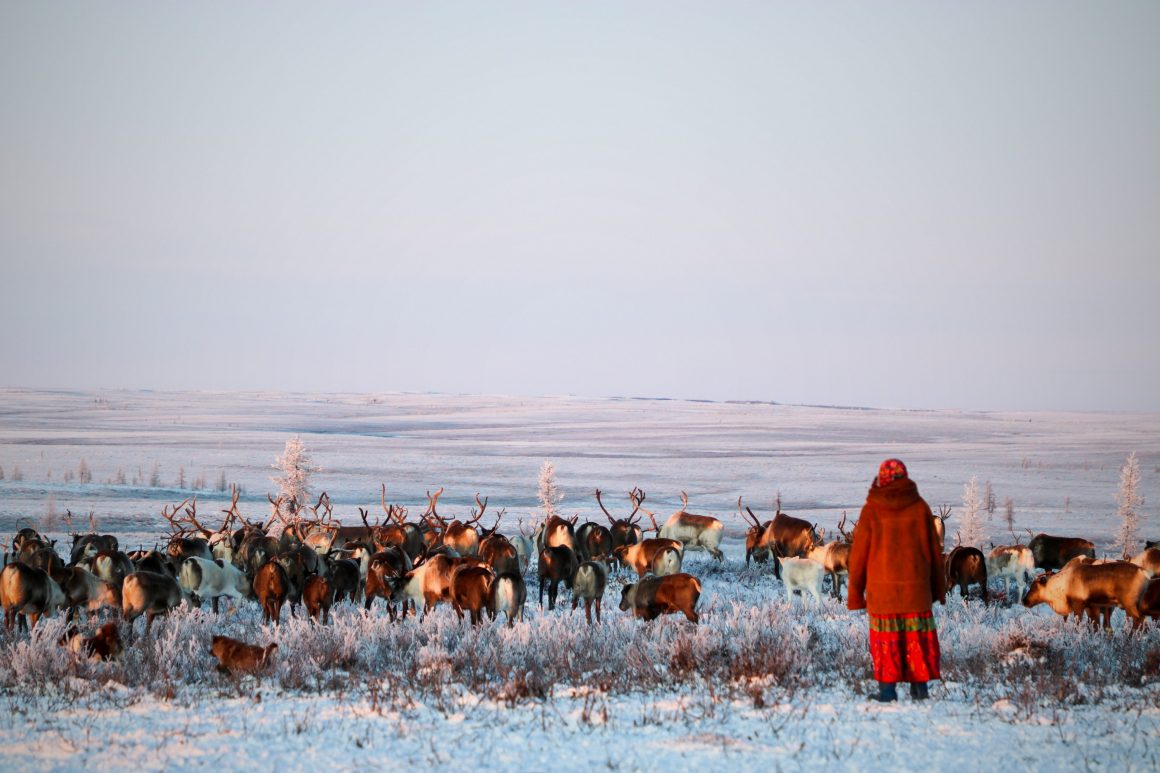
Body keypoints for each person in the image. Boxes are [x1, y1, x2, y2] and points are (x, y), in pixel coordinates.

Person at [847, 458, 946, 702]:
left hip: (883, 595)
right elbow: (934, 553)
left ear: (882, 478)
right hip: (916, 592)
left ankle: (887, 691)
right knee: (916, 641)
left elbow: (858, 556)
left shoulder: (872, 508)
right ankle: (919, 689)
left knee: (887, 641)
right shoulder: (920, 507)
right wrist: (938, 590)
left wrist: (855, 595)